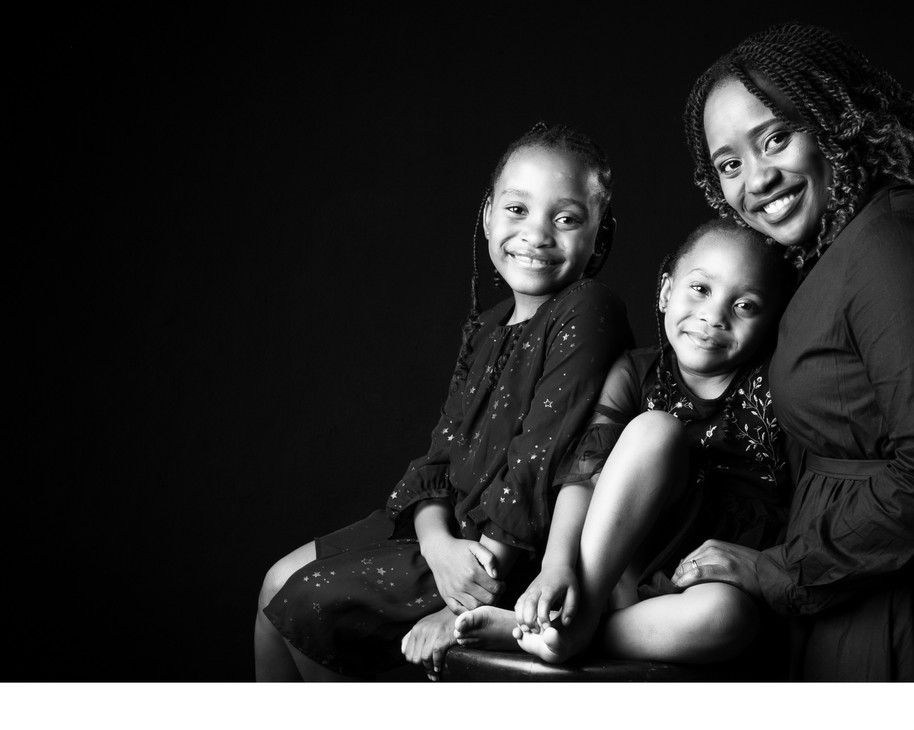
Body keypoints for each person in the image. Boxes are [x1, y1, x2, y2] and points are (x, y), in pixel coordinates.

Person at [675, 22, 914, 681]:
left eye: (776, 137)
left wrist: (778, 569)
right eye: (730, 163)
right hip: (862, 606)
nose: (758, 177)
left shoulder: (895, 245)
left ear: (837, 121)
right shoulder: (843, 253)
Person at [255, 122, 634, 681]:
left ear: (599, 238)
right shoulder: (484, 328)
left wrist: (461, 601)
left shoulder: (587, 309)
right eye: (517, 210)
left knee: (310, 602)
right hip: (446, 532)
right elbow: (438, 459)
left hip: (510, 549)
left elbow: (536, 468)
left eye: (566, 218)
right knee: (273, 583)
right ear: (487, 215)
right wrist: (435, 544)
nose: (536, 234)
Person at [455, 218, 794, 677]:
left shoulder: (777, 387)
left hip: (709, 578)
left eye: (746, 305)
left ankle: (565, 631)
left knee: (724, 619)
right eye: (700, 289)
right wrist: (556, 566)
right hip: (624, 572)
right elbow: (584, 474)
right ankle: (581, 611)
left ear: (772, 321)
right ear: (665, 291)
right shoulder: (635, 373)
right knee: (655, 430)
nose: (715, 316)